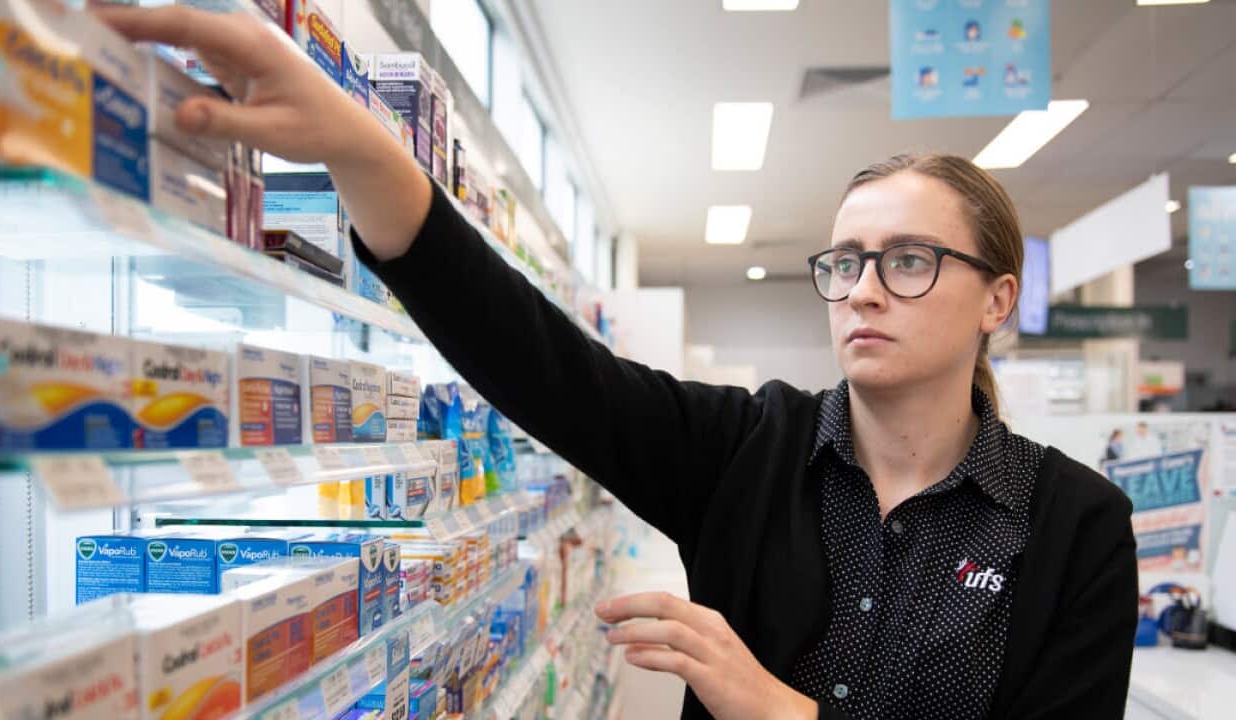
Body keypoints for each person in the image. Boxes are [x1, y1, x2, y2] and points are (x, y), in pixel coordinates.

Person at [98, 7, 1138, 719]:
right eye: (845, 261)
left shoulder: (1074, 525)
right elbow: (541, 363)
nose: (861, 288)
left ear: (996, 298)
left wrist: (782, 711)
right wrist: (364, 151)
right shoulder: (744, 451)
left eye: (907, 261)